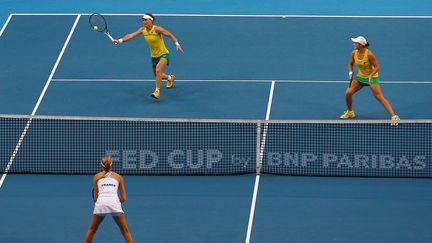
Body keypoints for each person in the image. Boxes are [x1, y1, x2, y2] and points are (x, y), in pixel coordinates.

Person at [112, 13, 184, 99]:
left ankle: (157, 91)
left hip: (164, 54)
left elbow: (170, 35)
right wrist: (119, 41)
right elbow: (131, 35)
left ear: (151, 20)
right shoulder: (142, 30)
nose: (144, 22)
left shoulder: (157, 29)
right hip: (154, 56)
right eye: (143, 20)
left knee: (158, 69)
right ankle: (170, 77)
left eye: (146, 20)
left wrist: (177, 44)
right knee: (157, 75)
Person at [341, 35, 400, 125]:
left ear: (361, 45)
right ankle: (350, 112)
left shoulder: (369, 54)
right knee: (348, 93)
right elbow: (350, 64)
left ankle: (394, 117)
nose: (354, 44)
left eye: (356, 43)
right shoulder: (354, 53)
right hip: (360, 77)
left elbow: (376, 67)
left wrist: (371, 75)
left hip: (372, 78)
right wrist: (350, 73)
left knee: (379, 97)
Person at [84, 156, 133, 243]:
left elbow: (95, 198)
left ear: (101, 166)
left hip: (101, 203)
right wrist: (117, 203)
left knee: (92, 230)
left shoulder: (96, 177)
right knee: (125, 231)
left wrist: (101, 203)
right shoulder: (119, 177)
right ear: (111, 165)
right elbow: (124, 198)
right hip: (115, 203)